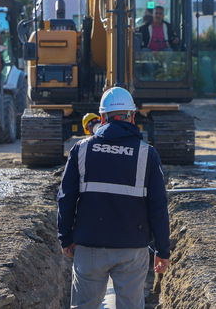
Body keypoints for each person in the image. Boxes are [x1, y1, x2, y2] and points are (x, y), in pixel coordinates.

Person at [57, 87, 170, 309]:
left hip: (89, 247)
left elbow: (66, 197)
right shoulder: (147, 154)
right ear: (133, 116)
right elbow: (158, 207)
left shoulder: (81, 149)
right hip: (132, 249)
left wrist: (65, 238)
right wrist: (162, 250)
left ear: (101, 117)